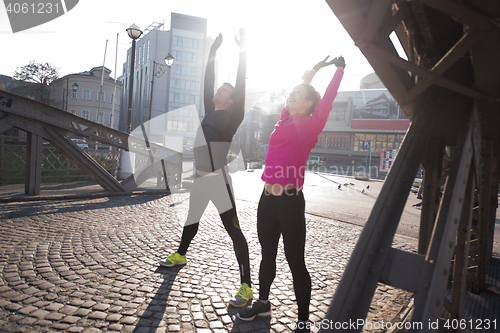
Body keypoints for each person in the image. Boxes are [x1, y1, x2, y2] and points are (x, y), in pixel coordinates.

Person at [237, 56, 345, 332]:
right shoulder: (285, 119)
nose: (290, 95)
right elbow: (302, 86)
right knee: (267, 255)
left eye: (297, 95)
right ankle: (263, 303)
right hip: (267, 200)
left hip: (289, 202)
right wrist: (314, 70)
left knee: (296, 260)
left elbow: (327, 100)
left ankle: (303, 319)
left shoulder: (311, 126)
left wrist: (338, 71)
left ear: (308, 104)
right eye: (291, 93)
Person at [160, 29, 253, 308]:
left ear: (232, 100)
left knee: (234, 231)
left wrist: (242, 51)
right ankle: (180, 254)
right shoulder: (210, 111)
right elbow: (207, 81)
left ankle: (246, 285)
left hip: (218, 181)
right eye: (219, 89)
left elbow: (240, 84)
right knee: (191, 219)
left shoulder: (233, 116)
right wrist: (212, 53)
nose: (218, 91)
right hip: (200, 180)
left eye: (224, 91)